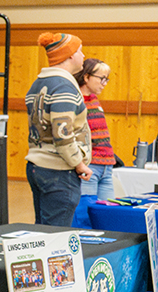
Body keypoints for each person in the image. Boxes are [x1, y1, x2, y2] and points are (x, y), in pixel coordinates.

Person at [25, 32, 92, 226]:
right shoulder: (63, 87)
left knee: (43, 230)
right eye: (80, 51)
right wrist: (79, 163)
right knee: (56, 235)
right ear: (70, 55)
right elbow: (62, 134)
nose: (83, 55)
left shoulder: (39, 83)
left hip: (38, 166)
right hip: (59, 170)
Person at [71, 57, 115, 227]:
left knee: (107, 216)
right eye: (101, 78)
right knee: (85, 217)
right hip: (90, 166)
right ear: (86, 77)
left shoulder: (94, 99)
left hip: (106, 166)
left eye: (106, 79)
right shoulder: (75, 100)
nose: (104, 83)